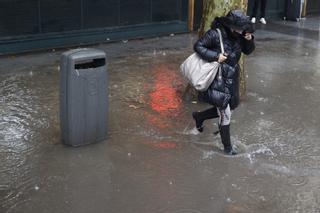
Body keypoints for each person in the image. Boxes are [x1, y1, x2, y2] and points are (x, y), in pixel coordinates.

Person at [192, 10, 255, 155]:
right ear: (230, 26)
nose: (240, 31)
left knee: (230, 107)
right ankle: (228, 148)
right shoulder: (215, 34)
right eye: (238, 28)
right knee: (225, 113)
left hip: (232, 77)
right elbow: (198, 46)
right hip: (218, 78)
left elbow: (248, 51)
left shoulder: (240, 35)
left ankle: (199, 117)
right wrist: (215, 56)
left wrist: (249, 39)